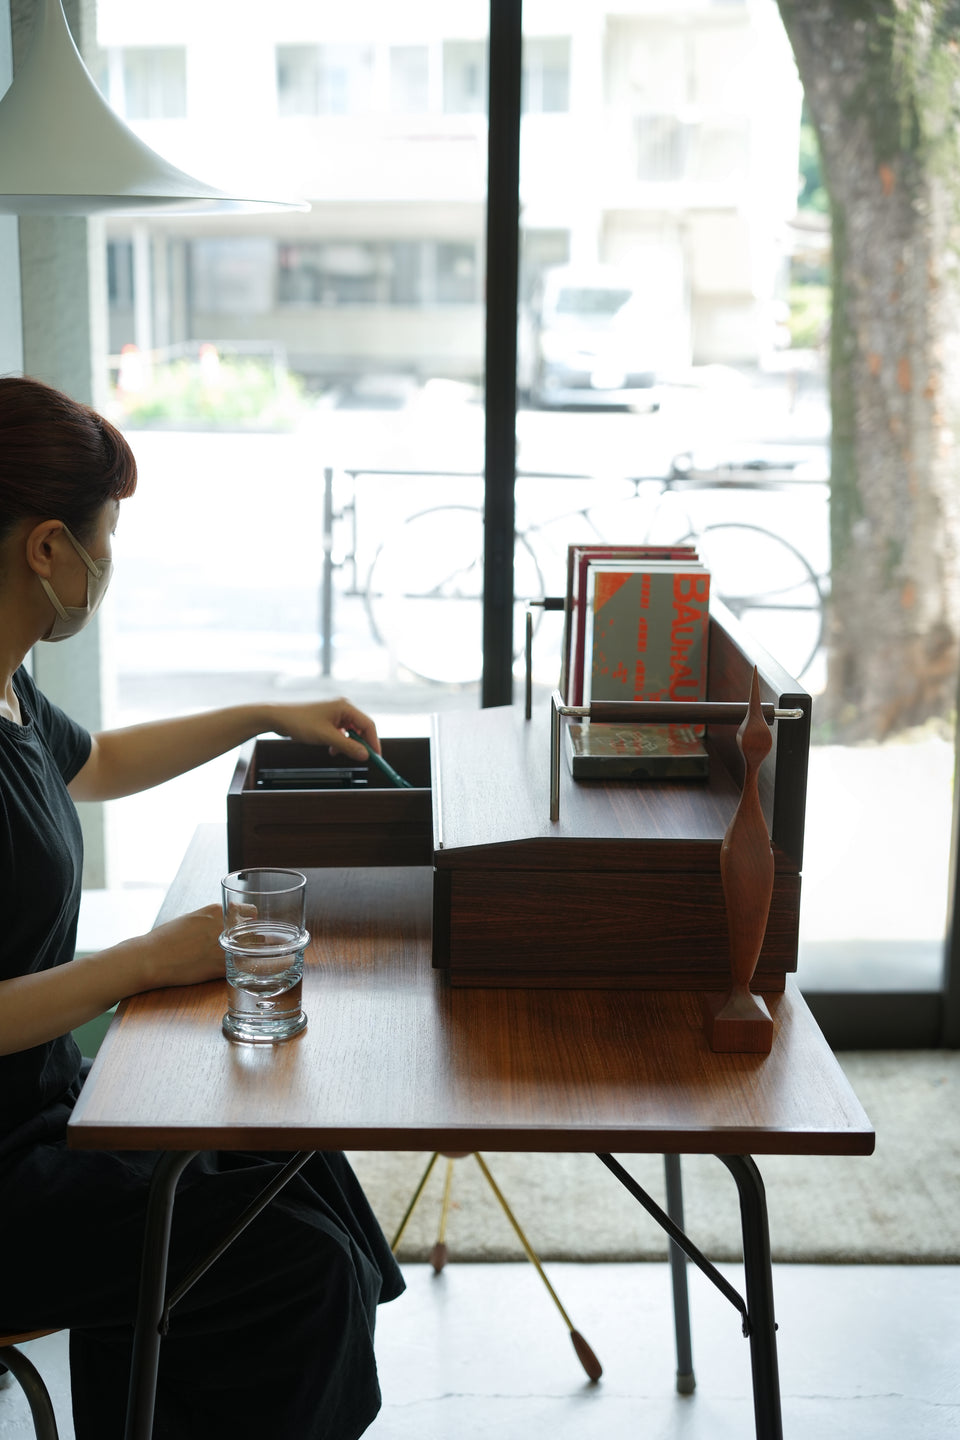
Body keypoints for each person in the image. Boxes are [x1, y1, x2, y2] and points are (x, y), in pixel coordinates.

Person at [0, 375, 404, 1439]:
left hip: (45, 1112)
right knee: (298, 1263)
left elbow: (97, 761)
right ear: (49, 548)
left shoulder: (8, 685)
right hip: (5, 1177)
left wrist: (264, 713)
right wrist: (142, 962)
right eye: (107, 537)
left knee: (291, 1156)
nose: (110, 562)